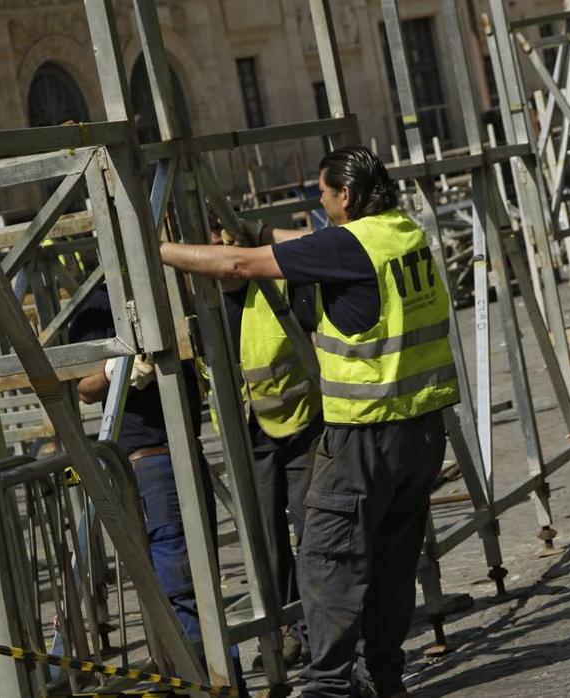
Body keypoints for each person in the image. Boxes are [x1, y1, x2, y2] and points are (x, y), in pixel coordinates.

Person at [161, 145, 459, 698]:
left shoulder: (349, 247)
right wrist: (257, 231)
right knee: (393, 559)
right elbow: (300, 245)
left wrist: (158, 250)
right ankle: (384, 678)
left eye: (322, 196)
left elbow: (237, 265)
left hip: (366, 432)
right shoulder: (402, 232)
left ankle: (327, 686)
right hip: (422, 430)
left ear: (344, 195)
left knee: (326, 556)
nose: (320, 207)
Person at [70, 285, 245, 690]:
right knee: (181, 585)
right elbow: (84, 387)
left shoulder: (167, 291)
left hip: (186, 451)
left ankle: (219, 682)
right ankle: (216, 684)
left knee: (199, 582)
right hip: (149, 461)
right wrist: (117, 371)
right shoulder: (96, 305)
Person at [208, 223, 324, 669]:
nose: (220, 252)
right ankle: (287, 632)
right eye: (212, 243)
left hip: (300, 426)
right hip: (245, 436)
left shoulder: (276, 279)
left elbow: (319, 234)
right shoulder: (197, 301)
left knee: (313, 527)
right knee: (266, 544)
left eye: (226, 240)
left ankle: (322, 630)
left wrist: (260, 232)